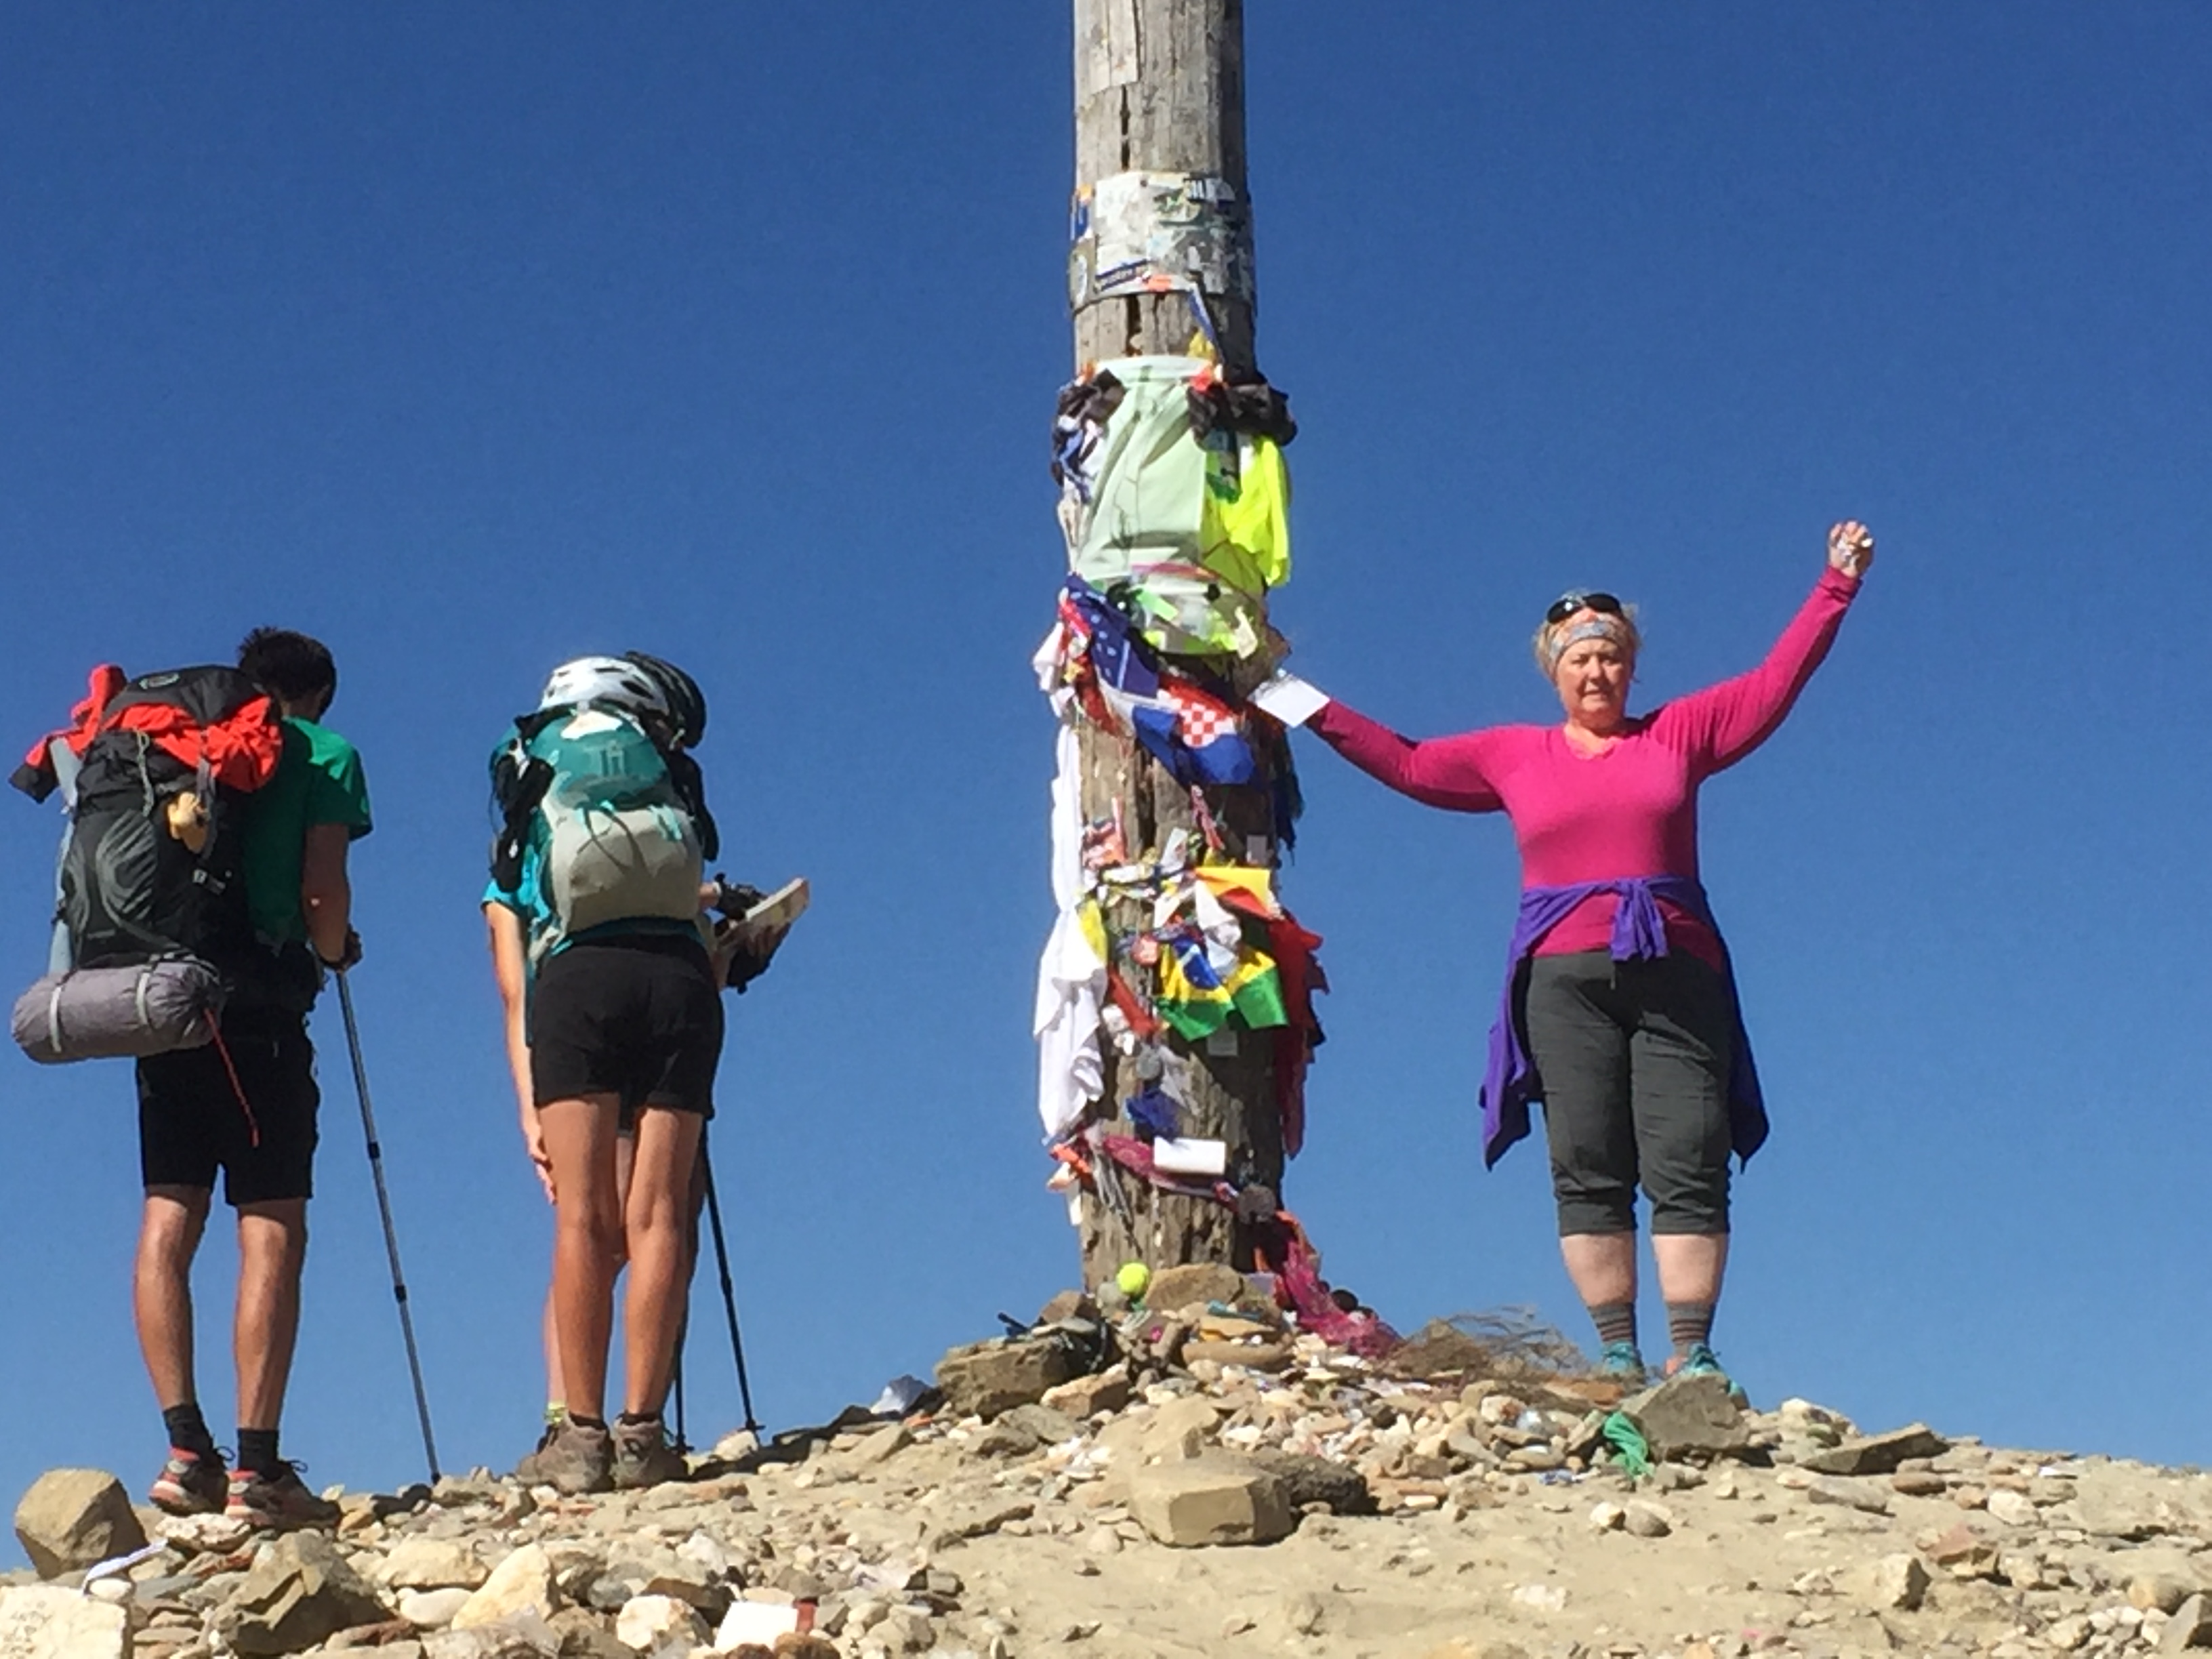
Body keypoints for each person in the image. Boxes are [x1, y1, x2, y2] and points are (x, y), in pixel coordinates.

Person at [1288, 524, 1875, 1387]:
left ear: (1631, 667)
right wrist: (1292, 699)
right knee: (1588, 1160)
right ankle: (1617, 1356)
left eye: (1609, 656)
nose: (1595, 672)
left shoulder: (1680, 734)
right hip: (1563, 982)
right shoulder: (1512, 755)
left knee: (1689, 1152)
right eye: (1578, 659)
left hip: (1678, 969)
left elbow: (1775, 682)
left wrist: (1835, 585)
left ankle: (1695, 1355)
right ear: (1553, 672)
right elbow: (1408, 765)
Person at [141, 628, 370, 1525]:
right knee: (270, 1228)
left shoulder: (181, 747)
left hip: (162, 1002)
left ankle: (183, 1450)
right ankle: (259, 1470)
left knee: (168, 1216)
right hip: (261, 1012)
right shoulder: (323, 752)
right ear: (316, 695)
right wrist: (337, 949)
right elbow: (322, 895)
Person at [484, 653, 727, 1494]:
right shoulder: (665, 785)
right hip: (680, 982)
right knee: (659, 1214)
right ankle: (645, 1435)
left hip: (576, 987)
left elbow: (515, 982)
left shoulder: (530, 800)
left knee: (584, 1219)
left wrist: (526, 1104)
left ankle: (578, 1439)